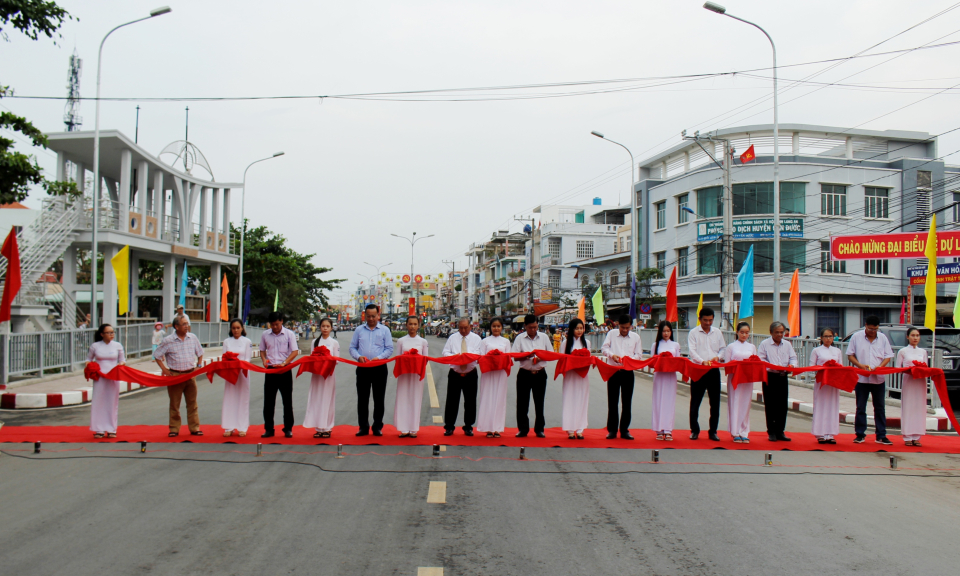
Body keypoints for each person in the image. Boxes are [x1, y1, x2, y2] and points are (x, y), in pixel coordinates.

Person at [846, 315, 894, 445]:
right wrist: (860, 365)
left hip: (878, 379)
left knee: (880, 407)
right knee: (861, 407)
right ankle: (860, 434)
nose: (873, 331)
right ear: (866, 325)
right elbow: (850, 355)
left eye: (876, 329)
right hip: (862, 378)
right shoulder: (856, 337)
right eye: (871, 329)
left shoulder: (883, 338)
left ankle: (881, 435)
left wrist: (880, 367)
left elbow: (888, 356)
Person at [154, 314, 204, 437]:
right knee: (175, 404)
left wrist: (199, 365)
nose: (186, 326)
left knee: (192, 403)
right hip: (175, 375)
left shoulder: (192, 338)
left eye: (187, 324)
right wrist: (165, 370)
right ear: (176, 326)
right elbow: (157, 355)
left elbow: (200, 352)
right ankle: (174, 429)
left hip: (190, 374)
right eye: (184, 324)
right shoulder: (168, 340)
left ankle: (194, 428)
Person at [349, 304, 394, 436]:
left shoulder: (385, 330)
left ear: (378, 315)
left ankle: (377, 426)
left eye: (373, 316)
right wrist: (358, 357)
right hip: (363, 368)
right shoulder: (359, 330)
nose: (371, 319)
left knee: (378, 398)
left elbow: (389, 349)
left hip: (379, 368)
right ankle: (363, 427)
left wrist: (378, 358)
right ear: (365, 316)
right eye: (368, 316)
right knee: (362, 399)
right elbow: (352, 348)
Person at [511, 314, 554, 438]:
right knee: (522, 403)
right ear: (525, 326)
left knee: (539, 402)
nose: (533, 330)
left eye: (535, 327)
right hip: (525, 373)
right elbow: (514, 356)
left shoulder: (544, 337)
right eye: (530, 327)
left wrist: (540, 357)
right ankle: (523, 429)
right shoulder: (519, 338)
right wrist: (526, 356)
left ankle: (539, 429)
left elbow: (550, 354)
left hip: (539, 373)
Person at [601, 314, 643, 440]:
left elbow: (639, 354)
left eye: (627, 328)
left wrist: (630, 360)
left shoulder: (636, 337)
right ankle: (612, 430)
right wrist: (612, 355)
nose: (624, 330)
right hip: (613, 370)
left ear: (631, 326)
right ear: (618, 325)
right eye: (622, 327)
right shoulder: (612, 334)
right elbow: (604, 348)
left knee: (627, 402)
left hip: (628, 372)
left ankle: (624, 430)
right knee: (613, 402)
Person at [687, 307, 726, 441]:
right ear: (700, 319)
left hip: (713, 370)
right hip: (699, 369)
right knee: (695, 402)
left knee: (715, 403)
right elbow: (692, 352)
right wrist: (702, 361)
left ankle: (713, 431)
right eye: (705, 320)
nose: (708, 323)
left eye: (710, 320)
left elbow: (723, 349)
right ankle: (694, 430)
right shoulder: (693, 333)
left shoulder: (717, 333)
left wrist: (718, 357)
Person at [259, 311, 299, 438]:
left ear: (281, 321)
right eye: (272, 325)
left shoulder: (289, 334)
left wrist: (285, 362)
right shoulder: (265, 334)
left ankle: (288, 428)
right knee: (268, 402)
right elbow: (262, 350)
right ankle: (269, 428)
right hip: (270, 370)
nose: (274, 327)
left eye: (276, 324)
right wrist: (264, 360)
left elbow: (295, 351)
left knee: (287, 401)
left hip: (284, 370)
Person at [757, 321, 798, 442]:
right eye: (777, 332)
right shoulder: (764, 344)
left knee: (782, 405)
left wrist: (792, 365)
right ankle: (771, 431)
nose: (780, 335)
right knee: (770, 405)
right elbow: (761, 360)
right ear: (771, 333)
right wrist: (772, 366)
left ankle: (780, 431)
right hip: (770, 376)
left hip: (783, 376)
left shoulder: (787, 344)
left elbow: (793, 357)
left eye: (782, 332)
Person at [441, 317, 483, 436]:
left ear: (470, 326)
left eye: (466, 328)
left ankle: (468, 426)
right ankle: (449, 426)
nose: (463, 330)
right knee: (452, 400)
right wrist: (456, 357)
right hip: (455, 373)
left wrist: (467, 357)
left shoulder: (477, 339)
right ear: (457, 327)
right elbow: (445, 352)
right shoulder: (452, 338)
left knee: (470, 401)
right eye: (461, 328)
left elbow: (480, 354)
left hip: (470, 373)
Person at [87, 324, 125, 438]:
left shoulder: (117, 346)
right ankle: (99, 429)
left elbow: (122, 360)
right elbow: (88, 359)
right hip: (99, 377)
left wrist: (120, 366)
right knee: (99, 402)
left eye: (113, 332)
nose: (111, 335)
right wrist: (91, 367)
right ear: (101, 334)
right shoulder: (95, 346)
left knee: (112, 402)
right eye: (108, 332)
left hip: (113, 377)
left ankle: (112, 428)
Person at [394, 316, 429, 438]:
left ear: (418, 326)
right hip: (404, 374)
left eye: (415, 324)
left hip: (416, 375)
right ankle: (403, 428)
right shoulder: (401, 341)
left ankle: (413, 428)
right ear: (406, 325)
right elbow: (397, 358)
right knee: (403, 398)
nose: (412, 327)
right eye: (410, 324)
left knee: (415, 398)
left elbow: (426, 360)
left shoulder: (423, 342)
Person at [477, 317, 512, 438]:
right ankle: (487, 427)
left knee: (499, 399)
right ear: (490, 328)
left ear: (502, 328)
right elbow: (481, 357)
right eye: (494, 326)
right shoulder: (485, 341)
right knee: (487, 397)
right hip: (488, 372)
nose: (496, 328)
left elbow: (509, 358)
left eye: (498, 326)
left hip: (500, 373)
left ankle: (497, 428)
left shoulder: (506, 342)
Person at [304, 317, 339, 438]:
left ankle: (328, 427)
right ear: (320, 327)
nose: (325, 328)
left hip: (328, 375)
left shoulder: (334, 343)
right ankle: (318, 427)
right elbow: (311, 356)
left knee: (328, 400)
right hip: (317, 375)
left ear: (331, 328)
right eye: (323, 326)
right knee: (317, 398)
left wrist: (326, 361)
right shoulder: (315, 341)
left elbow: (337, 360)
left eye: (327, 326)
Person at [724, 322, 758, 444]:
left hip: (747, 378)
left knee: (746, 404)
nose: (744, 335)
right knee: (735, 402)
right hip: (735, 378)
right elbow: (727, 365)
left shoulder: (752, 347)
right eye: (742, 332)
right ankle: (735, 431)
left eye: (747, 332)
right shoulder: (731, 347)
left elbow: (755, 362)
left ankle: (744, 431)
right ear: (737, 332)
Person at [896, 326, 928, 447]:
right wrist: (909, 370)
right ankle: (907, 436)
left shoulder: (923, 352)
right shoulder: (903, 351)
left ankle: (917, 436)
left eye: (917, 336)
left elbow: (926, 367)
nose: (915, 338)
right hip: (909, 381)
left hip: (920, 382)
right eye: (913, 335)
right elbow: (899, 368)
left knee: (919, 407)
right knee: (908, 407)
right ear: (908, 337)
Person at [650, 320, 681, 442]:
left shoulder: (675, 345)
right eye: (664, 331)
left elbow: (678, 360)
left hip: (670, 376)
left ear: (671, 332)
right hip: (659, 376)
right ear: (660, 332)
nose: (666, 333)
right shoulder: (655, 345)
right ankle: (659, 429)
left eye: (668, 331)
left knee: (669, 401)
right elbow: (652, 363)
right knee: (658, 401)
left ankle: (668, 430)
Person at [810, 327, 842, 444]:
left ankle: (830, 433)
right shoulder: (816, 350)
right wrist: (823, 368)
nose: (828, 339)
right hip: (821, 382)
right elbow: (812, 367)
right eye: (826, 336)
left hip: (833, 383)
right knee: (821, 405)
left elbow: (841, 366)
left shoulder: (837, 351)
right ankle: (820, 433)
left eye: (830, 336)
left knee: (832, 406)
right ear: (821, 338)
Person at [221, 319, 252, 437]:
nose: (236, 330)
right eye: (233, 328)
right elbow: (224, 358)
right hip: (230, 374)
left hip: (243, 374)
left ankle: (242, 427)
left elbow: (248, 359)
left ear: (242, 328)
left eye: (238, 328)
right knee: (230, 398)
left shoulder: (247, 341)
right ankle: (229, 427)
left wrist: (239, 364)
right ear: (231, 329)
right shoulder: (226, 342)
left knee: (242, 399)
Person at [560, 318, 590, 440]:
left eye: (581, 328)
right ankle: (570, 429)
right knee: (570, 399)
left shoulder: (587, 343)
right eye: (577, 328)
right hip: (570, 376)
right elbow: (562, 360)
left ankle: (580, 429)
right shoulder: (565, 343)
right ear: (571, 329)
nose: (579, 331)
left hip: (582, 376)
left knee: (582, 400)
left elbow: (589, 358)